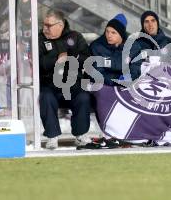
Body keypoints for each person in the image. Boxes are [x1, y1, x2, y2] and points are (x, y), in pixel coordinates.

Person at [39, 9, 91, 149]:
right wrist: (57, 57)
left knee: (83, 97)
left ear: (60, 25)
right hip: (49, 83)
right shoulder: (40, 38)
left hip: (72, 83)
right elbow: (40, 63)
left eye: (48, 25)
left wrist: (71, 57)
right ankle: (52, 136)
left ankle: (81, 134)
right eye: (44, 24)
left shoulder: (75, 37)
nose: (45, 28)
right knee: (46, 97)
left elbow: (88, 59)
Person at [130, 10, 171, 80]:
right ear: (143, 25)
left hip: (167, 84)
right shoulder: (135, 44)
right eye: (146, 22)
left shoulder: (170, 43)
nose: (150, 24)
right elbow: (132, 67)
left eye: (153, 21)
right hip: (143, 85)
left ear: (157, 23)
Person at [89, 13, 128, 86]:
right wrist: (117, 79)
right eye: (107, 31)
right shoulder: (96, 47)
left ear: (121, 35)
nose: (109, 35)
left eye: (113, 33)